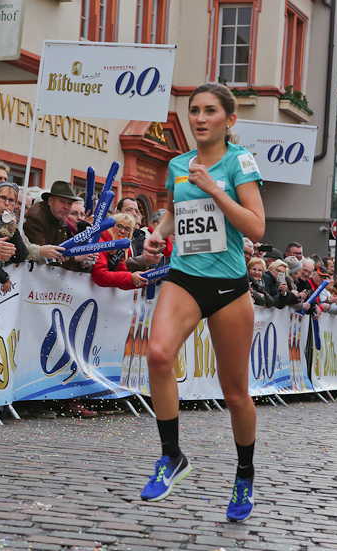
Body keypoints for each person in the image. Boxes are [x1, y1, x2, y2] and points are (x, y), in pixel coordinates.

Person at [141, 83, 264, 522]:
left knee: (235, 394)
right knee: (157, 355)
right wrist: (159, 234)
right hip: (185, 277)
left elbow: (256, 228)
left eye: (210, 111)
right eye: (194, 110)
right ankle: (171, 455)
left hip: (229, 287)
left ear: (229, 120)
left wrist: (216, 189)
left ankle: (244, 476)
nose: (199, 118)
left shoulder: (240, 162)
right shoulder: (177, 164)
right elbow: (175, 211)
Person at [24, 180, 93, 272]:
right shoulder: (36, 217)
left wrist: (84, 262)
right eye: (62, 202)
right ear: (50, 201)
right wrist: (75, 258)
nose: (66, 207)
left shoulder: (60, 217)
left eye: (69, 203)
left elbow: (63, 252)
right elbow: (47, 257)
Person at [91, 213, 148, 290]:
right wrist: (131, 277)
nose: (122, 231)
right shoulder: (101, 242)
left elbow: (122, 276)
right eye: (119, 226)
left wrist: (142, 278)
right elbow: (100, 276)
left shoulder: (121, 249)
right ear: (111, 226)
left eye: (127, 229)